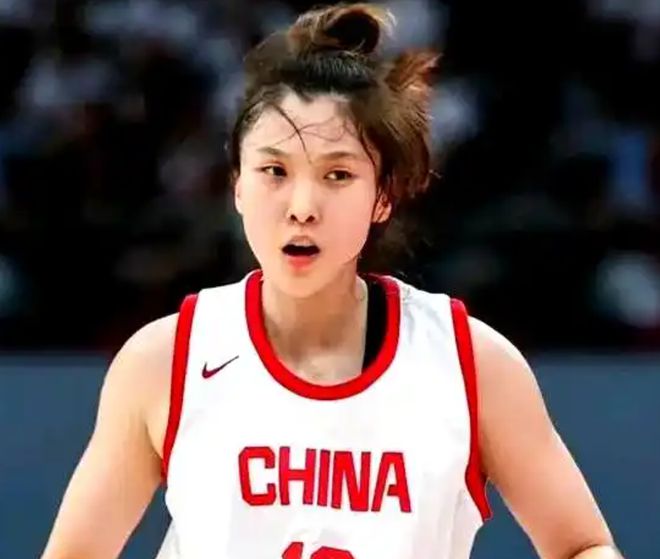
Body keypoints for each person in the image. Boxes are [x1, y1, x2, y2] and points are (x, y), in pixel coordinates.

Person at [42, 4, 622, 559]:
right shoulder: (165, 360)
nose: (302, 206)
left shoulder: (472, 364)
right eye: (274, 171)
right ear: (238, 185)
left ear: (383, 197)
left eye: (337, 175)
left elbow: (582, 545)